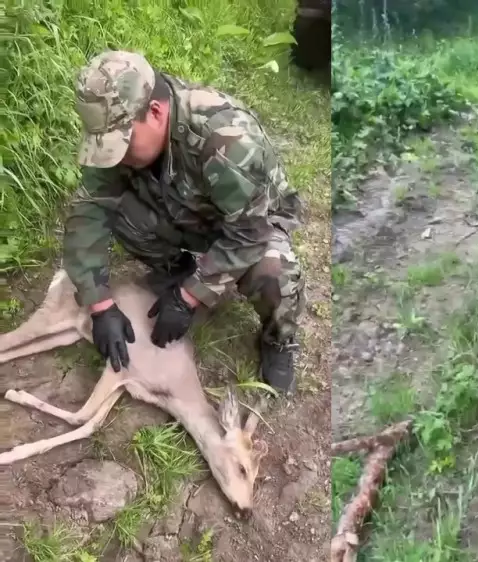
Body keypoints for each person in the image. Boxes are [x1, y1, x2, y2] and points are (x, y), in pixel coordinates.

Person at [65, 49, 306, 393]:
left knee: (275, 271)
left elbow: (249, 232)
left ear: (155, 111)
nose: (114, 155)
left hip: (249, 224)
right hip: (188, 210)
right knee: (120, 210)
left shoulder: (226, 138)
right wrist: (99, 304)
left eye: (123, 143)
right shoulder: (120, 130)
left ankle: (279, 339)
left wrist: (189, 297)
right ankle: (177, 269)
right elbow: (90, 207)